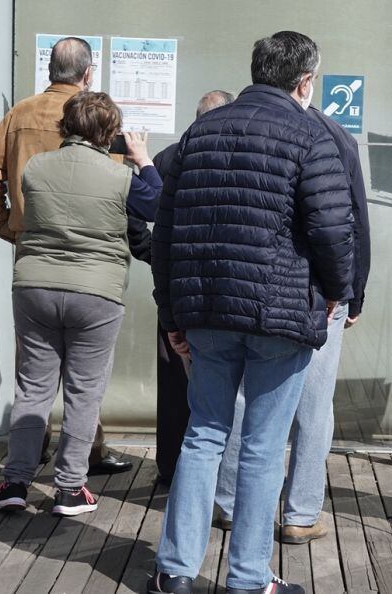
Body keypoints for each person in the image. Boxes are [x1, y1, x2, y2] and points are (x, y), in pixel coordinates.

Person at [148, 31, 354, 594]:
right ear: (305, 81)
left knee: (203, 436)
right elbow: (334, 229)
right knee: (264, 448)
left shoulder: (199, 133)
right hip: (280, 314)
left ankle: (175, 573)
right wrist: (337, 293)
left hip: (208, 312)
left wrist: (171, 315)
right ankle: (246, 579)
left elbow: (165, 235)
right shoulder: (312, 135)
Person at [0, 92, 161, 515]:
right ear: (110, 133)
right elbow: (157, 203)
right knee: (83, 394)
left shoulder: (35, 168)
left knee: (32, 389)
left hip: (35, 288)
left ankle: (15, 482)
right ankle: (69, 488)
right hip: (95, 294)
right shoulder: (119, 176)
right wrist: (143, 159)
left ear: (65, 126)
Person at [0, 36, 131, 475]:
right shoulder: (97, 115)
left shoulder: (21, 112)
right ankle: (83, 459)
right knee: (85, 380)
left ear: (49, 69)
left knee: (34, 373)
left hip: (35, 260)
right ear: (87, 73)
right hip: (92, 265)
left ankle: (28, 457)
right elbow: (119, 191)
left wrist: (10, 227)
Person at [212, 102, 371, 544]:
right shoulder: (332, 135)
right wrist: (351, 290)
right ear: (305, 81)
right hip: (316, 292)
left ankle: (229, 504)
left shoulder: (230, 124)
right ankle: (300, 514)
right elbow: (349, 221)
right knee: (314, 404)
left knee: (244, 396)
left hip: (242, 284)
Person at [138, 90, 237, 485]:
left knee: (175, 382)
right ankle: (218, 474)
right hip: (222, 292)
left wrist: (152, 254)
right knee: (226, 386)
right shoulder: (233, 156)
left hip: (177, 290)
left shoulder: (167, 158)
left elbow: (135, 211)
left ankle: (172, 466)